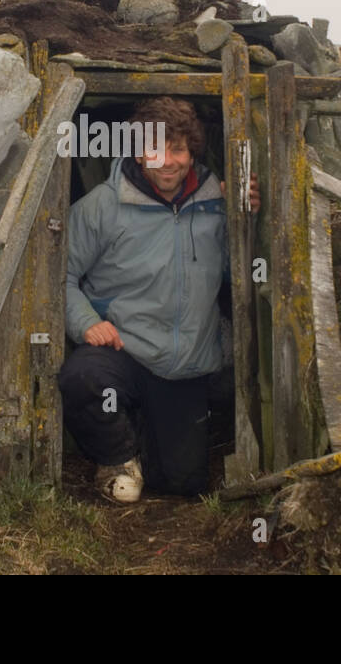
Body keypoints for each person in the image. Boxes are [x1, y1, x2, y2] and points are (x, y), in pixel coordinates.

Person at [58, 96, 259, 503]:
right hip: (123, 351)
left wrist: (245, 218)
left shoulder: (216, 204)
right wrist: (85, 323)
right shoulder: (104, 205)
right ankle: (118, 457)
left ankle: (147, 430)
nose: (167, 161)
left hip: (185, 364)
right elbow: (59, 274)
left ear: (193, 151)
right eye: (155, 149)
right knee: (84, 379)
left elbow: (235, 276)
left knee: (183, 484)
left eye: (178, 149)